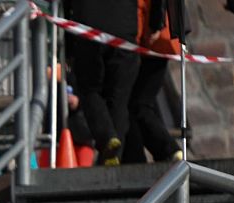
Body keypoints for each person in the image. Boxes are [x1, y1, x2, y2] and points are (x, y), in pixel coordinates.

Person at [65, 0, 141, 165]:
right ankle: (113, 156)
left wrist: (68, 48)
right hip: (124, 32)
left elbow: (66, 7)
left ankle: (107, 139)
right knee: (119, 99)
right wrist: (156, 23)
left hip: (89, 30)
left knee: (89, 89)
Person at [126, 0, 185, 163]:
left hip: (149, 38)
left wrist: (155, 25)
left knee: (135, 104)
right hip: (154, 38)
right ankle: (164, 151)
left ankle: (166, 150)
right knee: (136, 103)